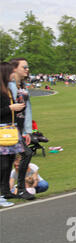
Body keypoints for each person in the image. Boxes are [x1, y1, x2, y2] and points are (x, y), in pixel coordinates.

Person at [8, 58, 36, 200]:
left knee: (14, 157)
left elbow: (28, 109)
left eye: (27, 67)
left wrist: (27, 131)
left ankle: (12, 189)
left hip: (19, 128)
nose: (27, 69)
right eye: (24, 67)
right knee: (26, 154)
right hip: (9, 128)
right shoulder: (9, 86)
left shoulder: (22, 86)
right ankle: (19, 188)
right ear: (14, 69)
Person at [0, 62, 26, 207]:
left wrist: (17, 109)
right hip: (2, 131)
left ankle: (5, 192)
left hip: (10, 130)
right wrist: (10, 107)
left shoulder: (7, 90)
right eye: (10, 72)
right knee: (2, 164)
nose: (13, 75)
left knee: (8, 162)